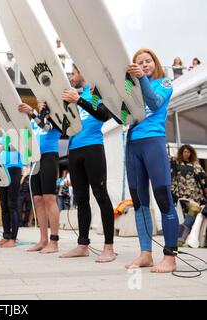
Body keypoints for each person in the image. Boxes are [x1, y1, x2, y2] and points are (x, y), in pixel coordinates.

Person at [125, 48, 179, 273]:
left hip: (153, 142)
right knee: (139, 201)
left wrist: (141, 79)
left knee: (163, 198)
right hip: (132, 145)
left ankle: (170, 257)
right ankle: (145, 253)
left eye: (147, 61)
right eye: (140, 62)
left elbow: (156, 103)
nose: (145, 64)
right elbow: (120, 115)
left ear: (154, 63)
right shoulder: (132, 88)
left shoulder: (164, 83)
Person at [60, 64, 117, 263]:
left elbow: (104, 115)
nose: (71, 76)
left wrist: (80, 99)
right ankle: (82, 245)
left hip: (93, 148)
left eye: (74, 72)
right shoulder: (71, 96)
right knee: (81, 199)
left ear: (83, 71)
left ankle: (109, 247)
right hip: (74, 152)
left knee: (101, 195)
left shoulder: (94, 92)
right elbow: (63, 129)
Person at [18, 101, 62, 254]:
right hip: (35, 160)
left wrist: (32, 111)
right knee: (37, 199)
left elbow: (46, 127)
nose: (39, 103)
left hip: (49, 156)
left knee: (49, 198)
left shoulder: (56, 116)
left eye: (42, 101)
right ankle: (43, 240)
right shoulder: (32, 121)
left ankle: (54, 241)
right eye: (38, 101)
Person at [0, 120, 24, 248]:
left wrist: (2, 147)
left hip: (14, 168)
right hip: (2, 168)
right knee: (4, 204)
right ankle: (6, 235)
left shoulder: (19, 130)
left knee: (12, 204)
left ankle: (13, 238)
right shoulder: (2, 134)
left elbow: (22, 146)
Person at [170, 145, 207, 244]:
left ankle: (181, 239)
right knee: (181, 216)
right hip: (181, 196)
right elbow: (171, 177)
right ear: (181, 152)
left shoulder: (196, 165)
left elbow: (203, 179)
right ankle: (179, 238)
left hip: (195, 197)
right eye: (185, 151)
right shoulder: (175, 163)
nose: (186, 154)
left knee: (191, 215)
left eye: (188, 152)